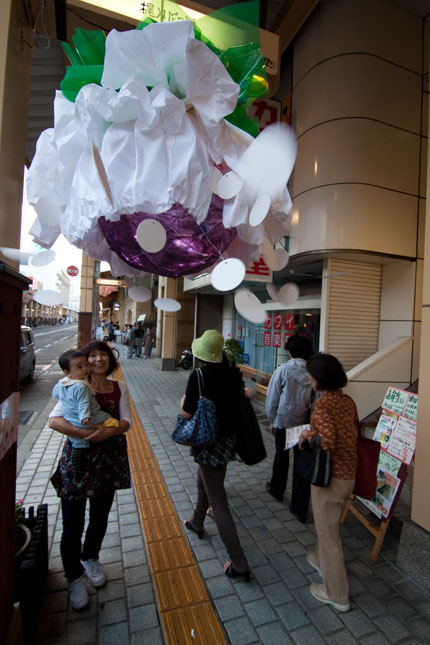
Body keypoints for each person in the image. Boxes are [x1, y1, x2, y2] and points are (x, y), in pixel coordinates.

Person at [49, 341, 132, 611]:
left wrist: (109, 431)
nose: (98, 359)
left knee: (99, 517)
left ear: (110, 359)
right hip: (78, 461)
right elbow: (54, 420)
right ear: (82, 363)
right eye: (92, 355)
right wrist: (87, 434)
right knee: (72, 522)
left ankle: (91, 558)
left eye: (103, 354)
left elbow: (126, 421)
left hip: (107, 462)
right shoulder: (72, 386)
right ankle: (74, 577)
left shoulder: (119, 387)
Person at [180, 330, 250, 581]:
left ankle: (239, 563)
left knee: (218, 500)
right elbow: (242, 397)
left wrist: (183, 401)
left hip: (207, 440)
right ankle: (197, 522)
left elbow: (187, 413)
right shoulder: (233, 372)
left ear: (200, 354)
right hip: (228, 439)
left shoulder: (198, 375)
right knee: (207, 481)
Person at [299, 353, 359, 612]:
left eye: (311, 375)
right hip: (348, 474)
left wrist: (306, 434)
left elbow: (327, 441)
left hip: (330, 478)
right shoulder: (347, 401)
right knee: (328, 530)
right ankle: (321, 560)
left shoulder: (323, 405)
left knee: (329, 534)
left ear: (320, 380)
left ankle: (336, 594)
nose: (309, 378)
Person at [265, 335, 313, 520]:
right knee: (302, 463)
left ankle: (277, 490)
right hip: (304, 425)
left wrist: (272, 420)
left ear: (290, 351)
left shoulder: (283, 370)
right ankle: (300, 508)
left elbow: (272, 399)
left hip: (284, 422)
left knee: (281, 458)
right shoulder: (312, 372)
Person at [52, 350, 119, 478]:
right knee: (110, 419)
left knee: (78, 448)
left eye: (85, 365)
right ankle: (80, 471)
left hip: (71, 420)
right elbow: (83, 404)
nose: (85, 369)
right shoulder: (81, 386)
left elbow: (55, 394)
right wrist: (84, 418)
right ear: (67, 372)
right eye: (80, 367)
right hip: (88, 420)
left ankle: (79, 472)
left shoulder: (63, 383)